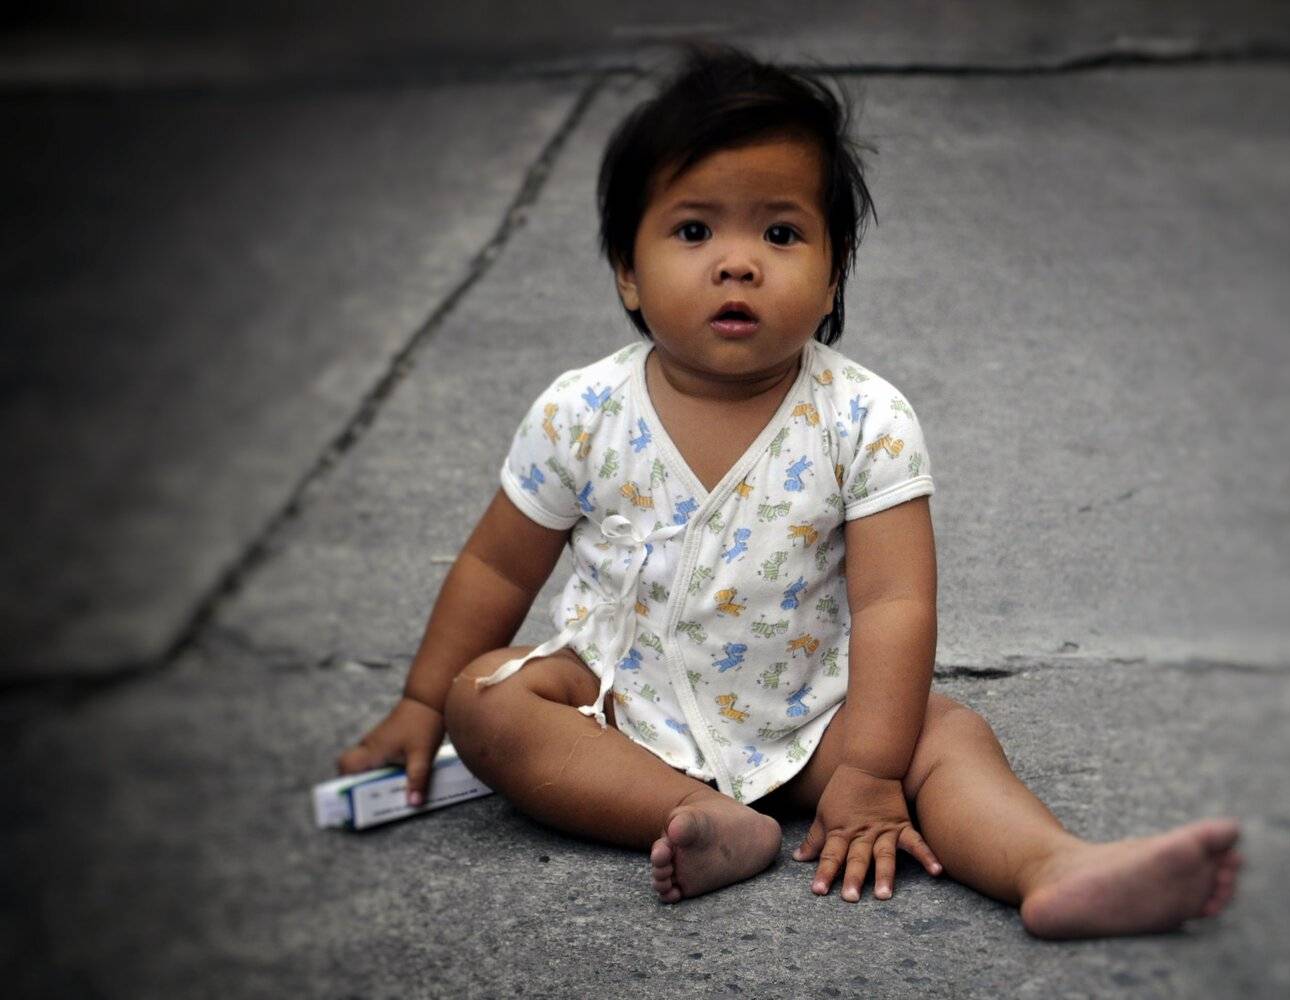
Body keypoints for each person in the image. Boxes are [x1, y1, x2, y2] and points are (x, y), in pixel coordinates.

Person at [336, 45, 1241, 938]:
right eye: (694, 231)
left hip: (814, 713)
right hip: (618, 703)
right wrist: (420, 704)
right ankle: (695, 816)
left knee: (947, 736)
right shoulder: (580, 412)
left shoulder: (864, 418)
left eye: (780, 233)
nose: (738, 264)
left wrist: (873, 771)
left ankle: (1053, 865)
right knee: (485, 698)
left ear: (834, 271)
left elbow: (893, 604)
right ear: (627, 271)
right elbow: (497, 567)